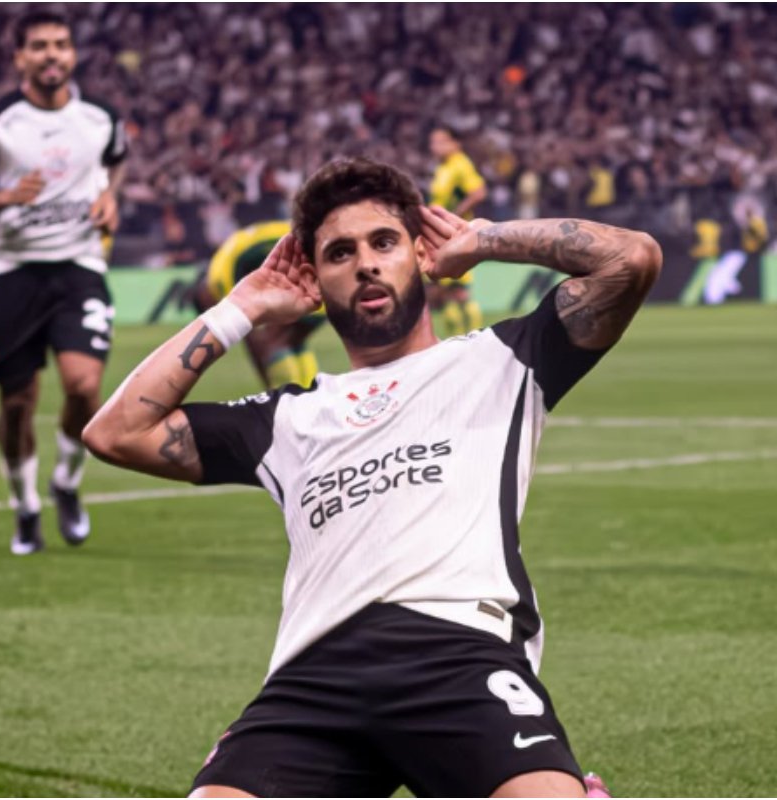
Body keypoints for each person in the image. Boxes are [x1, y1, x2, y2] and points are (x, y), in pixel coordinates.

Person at [84, 157, 660, 798]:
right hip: (313, 680)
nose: (364, 264)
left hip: (459, 657)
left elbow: (630, 260)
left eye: (384, 242)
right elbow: (114, 433)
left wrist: (481, 239)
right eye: (338, 253)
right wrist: (241, 307)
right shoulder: (288, 418)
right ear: (315, 278)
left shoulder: (502, 360)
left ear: (418, 252)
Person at [0, 10, 128, 555]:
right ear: (20, 58)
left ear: (72, 54)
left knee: (83, 387)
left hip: (79, 269)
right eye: (40, 47)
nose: (52, 54)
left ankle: (66, 484)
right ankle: (25, 505)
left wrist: (109, 195)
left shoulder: (101, 117)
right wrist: (4, 197)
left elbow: (116, 162)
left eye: (60, 45)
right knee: (16, 404)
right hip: (16, 273)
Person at [196, 219, 326, 389]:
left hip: (316, 280)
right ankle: (311, 394)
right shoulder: (225, 257)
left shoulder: (220, 278)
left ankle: (288, 399)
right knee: (292, 341)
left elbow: (252, 341)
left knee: (272, 342)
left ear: (203, 293)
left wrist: (267, 386)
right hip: (325, 274)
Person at [428, 125, 488, 336]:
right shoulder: (442, 167)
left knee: (459, 293)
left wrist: (455, 215)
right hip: (441, 237)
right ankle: (458, 340)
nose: (435, 146)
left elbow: (479, 192)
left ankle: (474, 336)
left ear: (455, 143)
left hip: (455, 236)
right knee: (448, 293)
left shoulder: (460, 164)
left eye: (441, 141)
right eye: (433, 142)